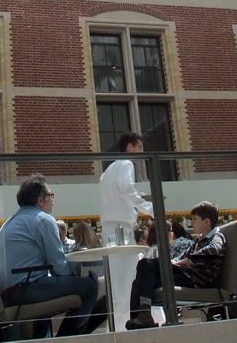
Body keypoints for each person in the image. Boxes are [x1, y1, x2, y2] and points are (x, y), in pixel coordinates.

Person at [0, 174, 98, 338]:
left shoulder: (10, 222)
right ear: (41, 200)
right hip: (25, 290)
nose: (53, 200)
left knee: (49, 286)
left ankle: (41, 339)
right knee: (90, 285)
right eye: (51, 195)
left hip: (8, 292)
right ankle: (66, 340)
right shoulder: (44, 220)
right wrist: (73, 278)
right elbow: (59, 266)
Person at [125, 201, 225, 330]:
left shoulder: (217, 236)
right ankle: (138, 318)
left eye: (194, 219)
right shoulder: (199, 240)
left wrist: (188, 261)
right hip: (187, 276)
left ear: (206, 222)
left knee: (145, 264)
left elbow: (213, 249)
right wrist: (173, 262)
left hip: (195, 280)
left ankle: (144, 316)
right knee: (138, 281)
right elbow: (182, 256)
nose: (191, 223)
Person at [100, 132, 154, 329]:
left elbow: (122, 193)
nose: (141, 151)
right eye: (139, 147)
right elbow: (126, 190)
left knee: (118, 278)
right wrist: (150, 209)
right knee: (128, 277)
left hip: (112, 227)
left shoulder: (109, 169)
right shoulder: (125, 164)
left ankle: (116, 324)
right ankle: (124, 324)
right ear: (130, 147)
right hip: (120, 228)